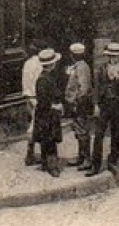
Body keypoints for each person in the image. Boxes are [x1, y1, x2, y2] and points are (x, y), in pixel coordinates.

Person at [89, 42, 119, 175]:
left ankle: (113, 161)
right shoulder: (101, 69)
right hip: (104, 105)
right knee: (99, 134)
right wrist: (96, 105)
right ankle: (95, 165)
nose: (114, 58)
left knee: (116, 133)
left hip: (118, 105)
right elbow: (96, 88)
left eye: (116, 56)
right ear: (108, 56)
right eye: (111, 56)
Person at [31, 49, 66, 177]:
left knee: (46, 138)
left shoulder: (46, 77)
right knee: (49, 139)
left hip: (45, 113)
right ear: (52, 64)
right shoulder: (44, 79)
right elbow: (44, 99)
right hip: (47, 114)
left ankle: (46, 164)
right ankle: (52, 167)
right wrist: (56, 106)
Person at [63, 43, 94, 170]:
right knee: (79, 130)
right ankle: (81, 157)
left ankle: (86, 159)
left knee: (82, 131)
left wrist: (77, 103)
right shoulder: (79, 66)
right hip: (77, 103)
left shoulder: (81, 68)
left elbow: (84, 88)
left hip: (80, 104)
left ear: (73, 55)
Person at [21, 43, 46, 167]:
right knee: (41, 125)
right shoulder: (41, 64)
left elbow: (25, 83)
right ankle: (43, 154)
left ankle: (29, 153)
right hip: (39, 98)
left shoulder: (27, 63)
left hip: (29, 97)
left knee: (31, 124)